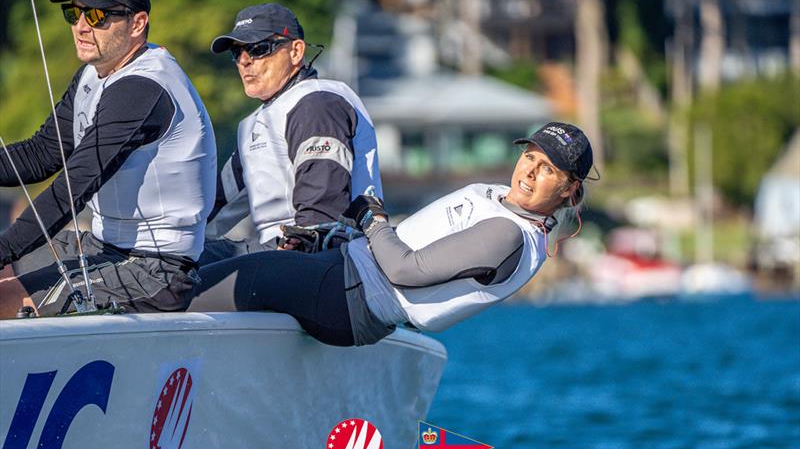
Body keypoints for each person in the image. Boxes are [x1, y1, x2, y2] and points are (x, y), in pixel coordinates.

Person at [189, 122, 594, 347]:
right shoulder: (502, 204)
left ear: (568, 189)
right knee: (223, 253)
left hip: (348, 300)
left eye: (548, 170)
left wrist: (372, 219)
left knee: (223, 280)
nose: (529, 172)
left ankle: (138, 310)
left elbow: (405, 270)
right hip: (345, 279)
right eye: (530, 157)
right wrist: (351, 234)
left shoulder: (509, 235)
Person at [0, 0, 216, 318]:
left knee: (2, 299)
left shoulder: (143, 86)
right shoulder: (93, 74)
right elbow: (40, 154)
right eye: (74, 13)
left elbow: (72, 188)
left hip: (156, 268)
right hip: (104, 247)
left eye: (98, 16)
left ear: (137, 23)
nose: (82, 27)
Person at [201, 2, 382, 263]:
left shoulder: (317, 103)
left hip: (326, 259)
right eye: (236, 52)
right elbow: (213, 210)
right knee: (176, 260)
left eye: (258, 49)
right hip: (277, 254)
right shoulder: (254, 124)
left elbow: (320, 220)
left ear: (296, 51)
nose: (244, 61)